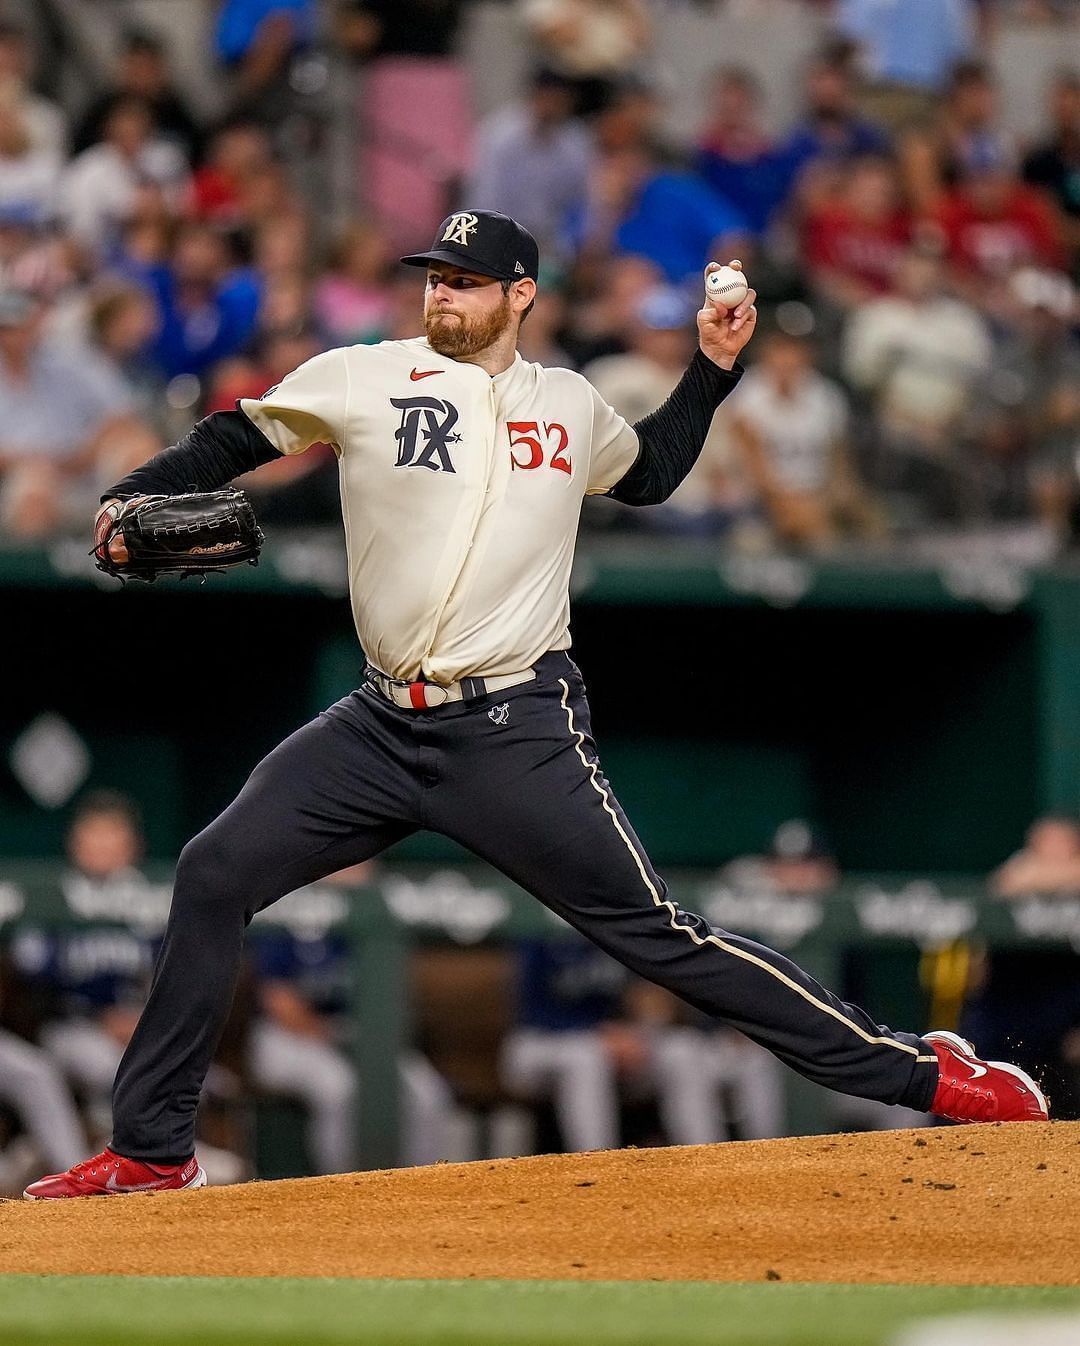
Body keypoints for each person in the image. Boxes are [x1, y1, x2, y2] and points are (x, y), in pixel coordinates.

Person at [25, 208, 1046, 1201]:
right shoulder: (366, 372)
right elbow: (234, 437)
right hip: (378, 723)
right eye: (435, 276)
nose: (443, 293)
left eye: (465, 281)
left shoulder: (568, 401)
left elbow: (648, 474)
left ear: (521, 295)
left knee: (659, 935)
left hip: (514, 726)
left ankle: (922, 1071)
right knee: (212, 870)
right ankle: (155, 1149)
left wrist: (712, 372)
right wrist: (133, 491)